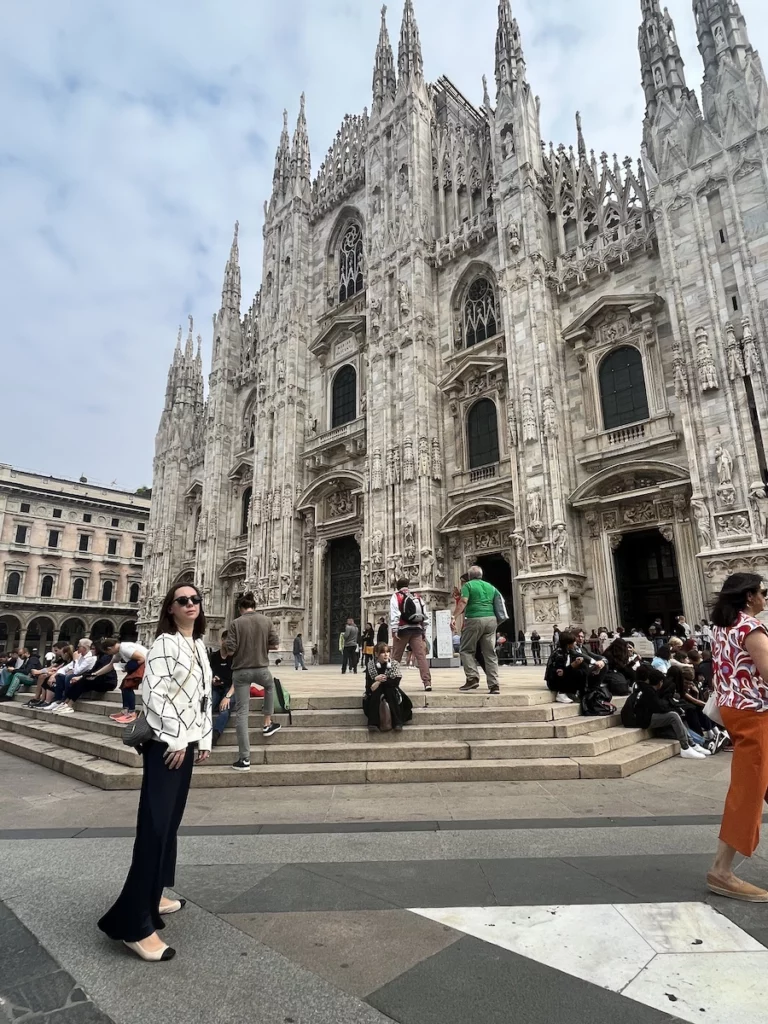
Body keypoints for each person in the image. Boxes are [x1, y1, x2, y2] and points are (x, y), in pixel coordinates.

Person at [98, 582, 212, 962]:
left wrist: (204, 738)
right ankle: (133, 923)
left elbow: (203, 695)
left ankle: (155, 892)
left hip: (187, 742)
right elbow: (156, 693)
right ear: (170, 608)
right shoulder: (164, 642)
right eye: (183, 600)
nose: (191, 604)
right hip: (166, 746)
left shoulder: (197, 645)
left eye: (195, 599)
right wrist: (178, 739)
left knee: (171, 822)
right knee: (155, 826)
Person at [707, 573, 768, 902]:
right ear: (748, 597)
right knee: (748, 791)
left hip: (733, 710)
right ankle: (722, 871)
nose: (765, 597)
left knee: (763, 781)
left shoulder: (719, 627)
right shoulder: (750, 628)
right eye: (762, 592)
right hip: (754, 715)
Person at [227, 592, 281, 772]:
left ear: (240, 608)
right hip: (261, 669)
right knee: (270, 686)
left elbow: (230, 649)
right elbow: (275, 645)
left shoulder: (236, 623)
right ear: (254, 606)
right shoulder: (266, 621)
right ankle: (267, 722)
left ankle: (244, 759)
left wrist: (242, 648)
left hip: (241, 672)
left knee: (242, 713)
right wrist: (259, 646)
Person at [621, 664, 706, 759]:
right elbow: (659, 708)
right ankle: (686, 747)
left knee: (674, 715)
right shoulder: (649, 692)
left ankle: (692, 744)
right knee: (673, 715)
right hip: (642, 720)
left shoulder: (645, 689)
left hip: (640, 717)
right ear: (660, 682)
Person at [455, 566, 500, 694]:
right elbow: (498, 602)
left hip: (475, 619)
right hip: (491, 620)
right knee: (490, 653)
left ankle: (472, 677)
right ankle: (494, 685)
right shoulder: (490, 586)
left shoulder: (468, 586)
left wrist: (454, 616)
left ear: (469, 576)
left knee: (466, 649)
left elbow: (463, 602)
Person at [52, 638, 119, 715]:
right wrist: (81, 677)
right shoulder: (100, 657)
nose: (91, 651)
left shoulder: (105, 658)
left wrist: (82, 677)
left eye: (93, 649)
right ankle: (66, 702)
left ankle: (69, 705)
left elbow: (97, 672)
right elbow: (92, 671)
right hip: (100, 679)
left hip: (107, 682)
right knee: (78, 681)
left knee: (81, 682)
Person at [390, 579, 432, 691]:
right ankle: (427, 682)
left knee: (396, 657)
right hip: (417, 630)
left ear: (397, 587)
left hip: (403, 630)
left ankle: (392, 681)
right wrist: (423, 631)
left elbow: (395, 614)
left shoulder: (396, 596)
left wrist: (394, 630)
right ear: (407, 586)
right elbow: (424, 615)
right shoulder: (416, 596)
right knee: (421, 656)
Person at [363, 642, 413, 731]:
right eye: (383, 652)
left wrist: (379, 680)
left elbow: (395, 681)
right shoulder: (371, 666)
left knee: (390, 691)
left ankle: (397, 722)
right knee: (376, 693)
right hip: (376, 690)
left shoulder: (394, 664)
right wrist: (376, 681)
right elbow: (369, 686)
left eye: (388, 652)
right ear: (376, 654)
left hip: (390, 688)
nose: (386, 654)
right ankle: (373, 723)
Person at [40, 639, 96, 711]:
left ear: (84, 648)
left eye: (78, 647)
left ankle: (65, 700)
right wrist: (54, 675)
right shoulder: (80, 656)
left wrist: (75, 660)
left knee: (69, 677)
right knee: (59, 676)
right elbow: (64, 668)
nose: (77, 648)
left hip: (80, 677)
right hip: (74, 675)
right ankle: (57, 700)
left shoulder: (90, 658)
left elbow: (76, 671)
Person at [102, 638, 148, 725]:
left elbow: (142, 658)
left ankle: (131, 713)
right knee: (124, 686)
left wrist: (129, 667)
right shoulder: (119, 651)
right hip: (141, 665)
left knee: (128, 686)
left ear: (109, 648)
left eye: (107, 652)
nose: (109, 654)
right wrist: (95, 674)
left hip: (145, 665)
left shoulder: (125, 648)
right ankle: (125, 711)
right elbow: (110, 665)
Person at [545, 631, 587, 703]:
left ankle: (580, 692)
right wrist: (573, 665)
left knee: (582, 670)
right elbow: (559, 672)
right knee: (575, 672)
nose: (575, 643)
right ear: (568, 644)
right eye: (573, 642)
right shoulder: (559, 654)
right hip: (554, 681)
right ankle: (561, 693)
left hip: (562, 677)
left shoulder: (567, 651)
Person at [208, 630, 235, 746]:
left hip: (230, 689)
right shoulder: (213, 657)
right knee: (207, 706)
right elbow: (208, 674)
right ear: (222, 640)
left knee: (224, 710)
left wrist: (228, 696)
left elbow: (238, 680)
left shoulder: (235, 658)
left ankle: (215, 735)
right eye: (227, 640)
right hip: (216, 688)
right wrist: (213, 681)